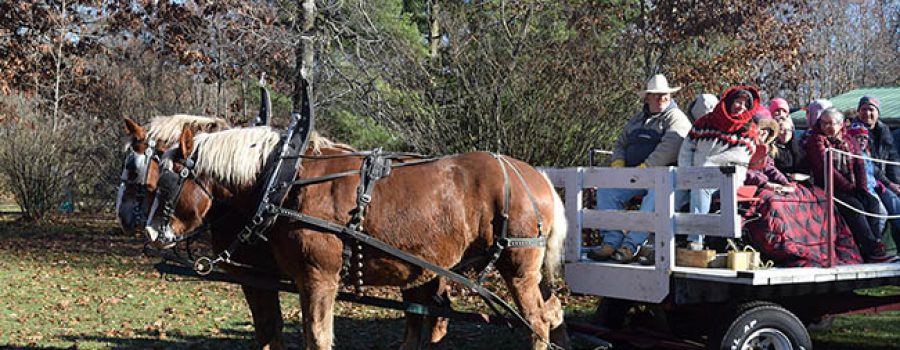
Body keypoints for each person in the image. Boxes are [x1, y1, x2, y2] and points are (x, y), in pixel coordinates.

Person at [587, 74, 692, 263]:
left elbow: (672, 145)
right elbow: (620, 143)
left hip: (664, 177)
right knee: (607, 190)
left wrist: (646, 166)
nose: (662, 98)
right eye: (657, 95)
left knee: (655, 199)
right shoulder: (636, 119)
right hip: (635, 175)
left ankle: (630, 246)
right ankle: (611, 241)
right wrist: (618, 163)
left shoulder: (676, 118)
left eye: (665, 95)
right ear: (647, 97)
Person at [805, 108, 896, 263]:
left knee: (872, 203)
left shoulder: (848, 140)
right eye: (824, 123)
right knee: (856, 207)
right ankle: (871, 249)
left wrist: (862, 188)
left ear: (841, 124)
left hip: (852, 186)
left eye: (831, 123)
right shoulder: (816, 140)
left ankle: (873, 245)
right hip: (830, 186)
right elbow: (826, 169)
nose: (827, 127)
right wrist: (849, 188)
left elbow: (859, 164)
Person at [678, 86, 761, 250]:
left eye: (745, 105)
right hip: (694, 174)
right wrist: (687, 172)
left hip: (727, 177)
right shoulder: (704, 122)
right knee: (668, 192)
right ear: (729, 101)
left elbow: (738, 157)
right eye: (738, 102)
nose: (741, 107)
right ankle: (659, 239)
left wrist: (704, 169)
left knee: (701, 188)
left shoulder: (749, 130)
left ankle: (696, 239)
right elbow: (687, 148)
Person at [746, 118, 793, 193]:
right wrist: (765, 184)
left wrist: (785, 182)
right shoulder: (746, 148)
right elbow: (745, 172)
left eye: (768, 131)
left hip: (763, 184)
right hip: (749, 186)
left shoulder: (764, 150)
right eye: (763, 129)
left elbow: (770, 168)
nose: (765, 133)